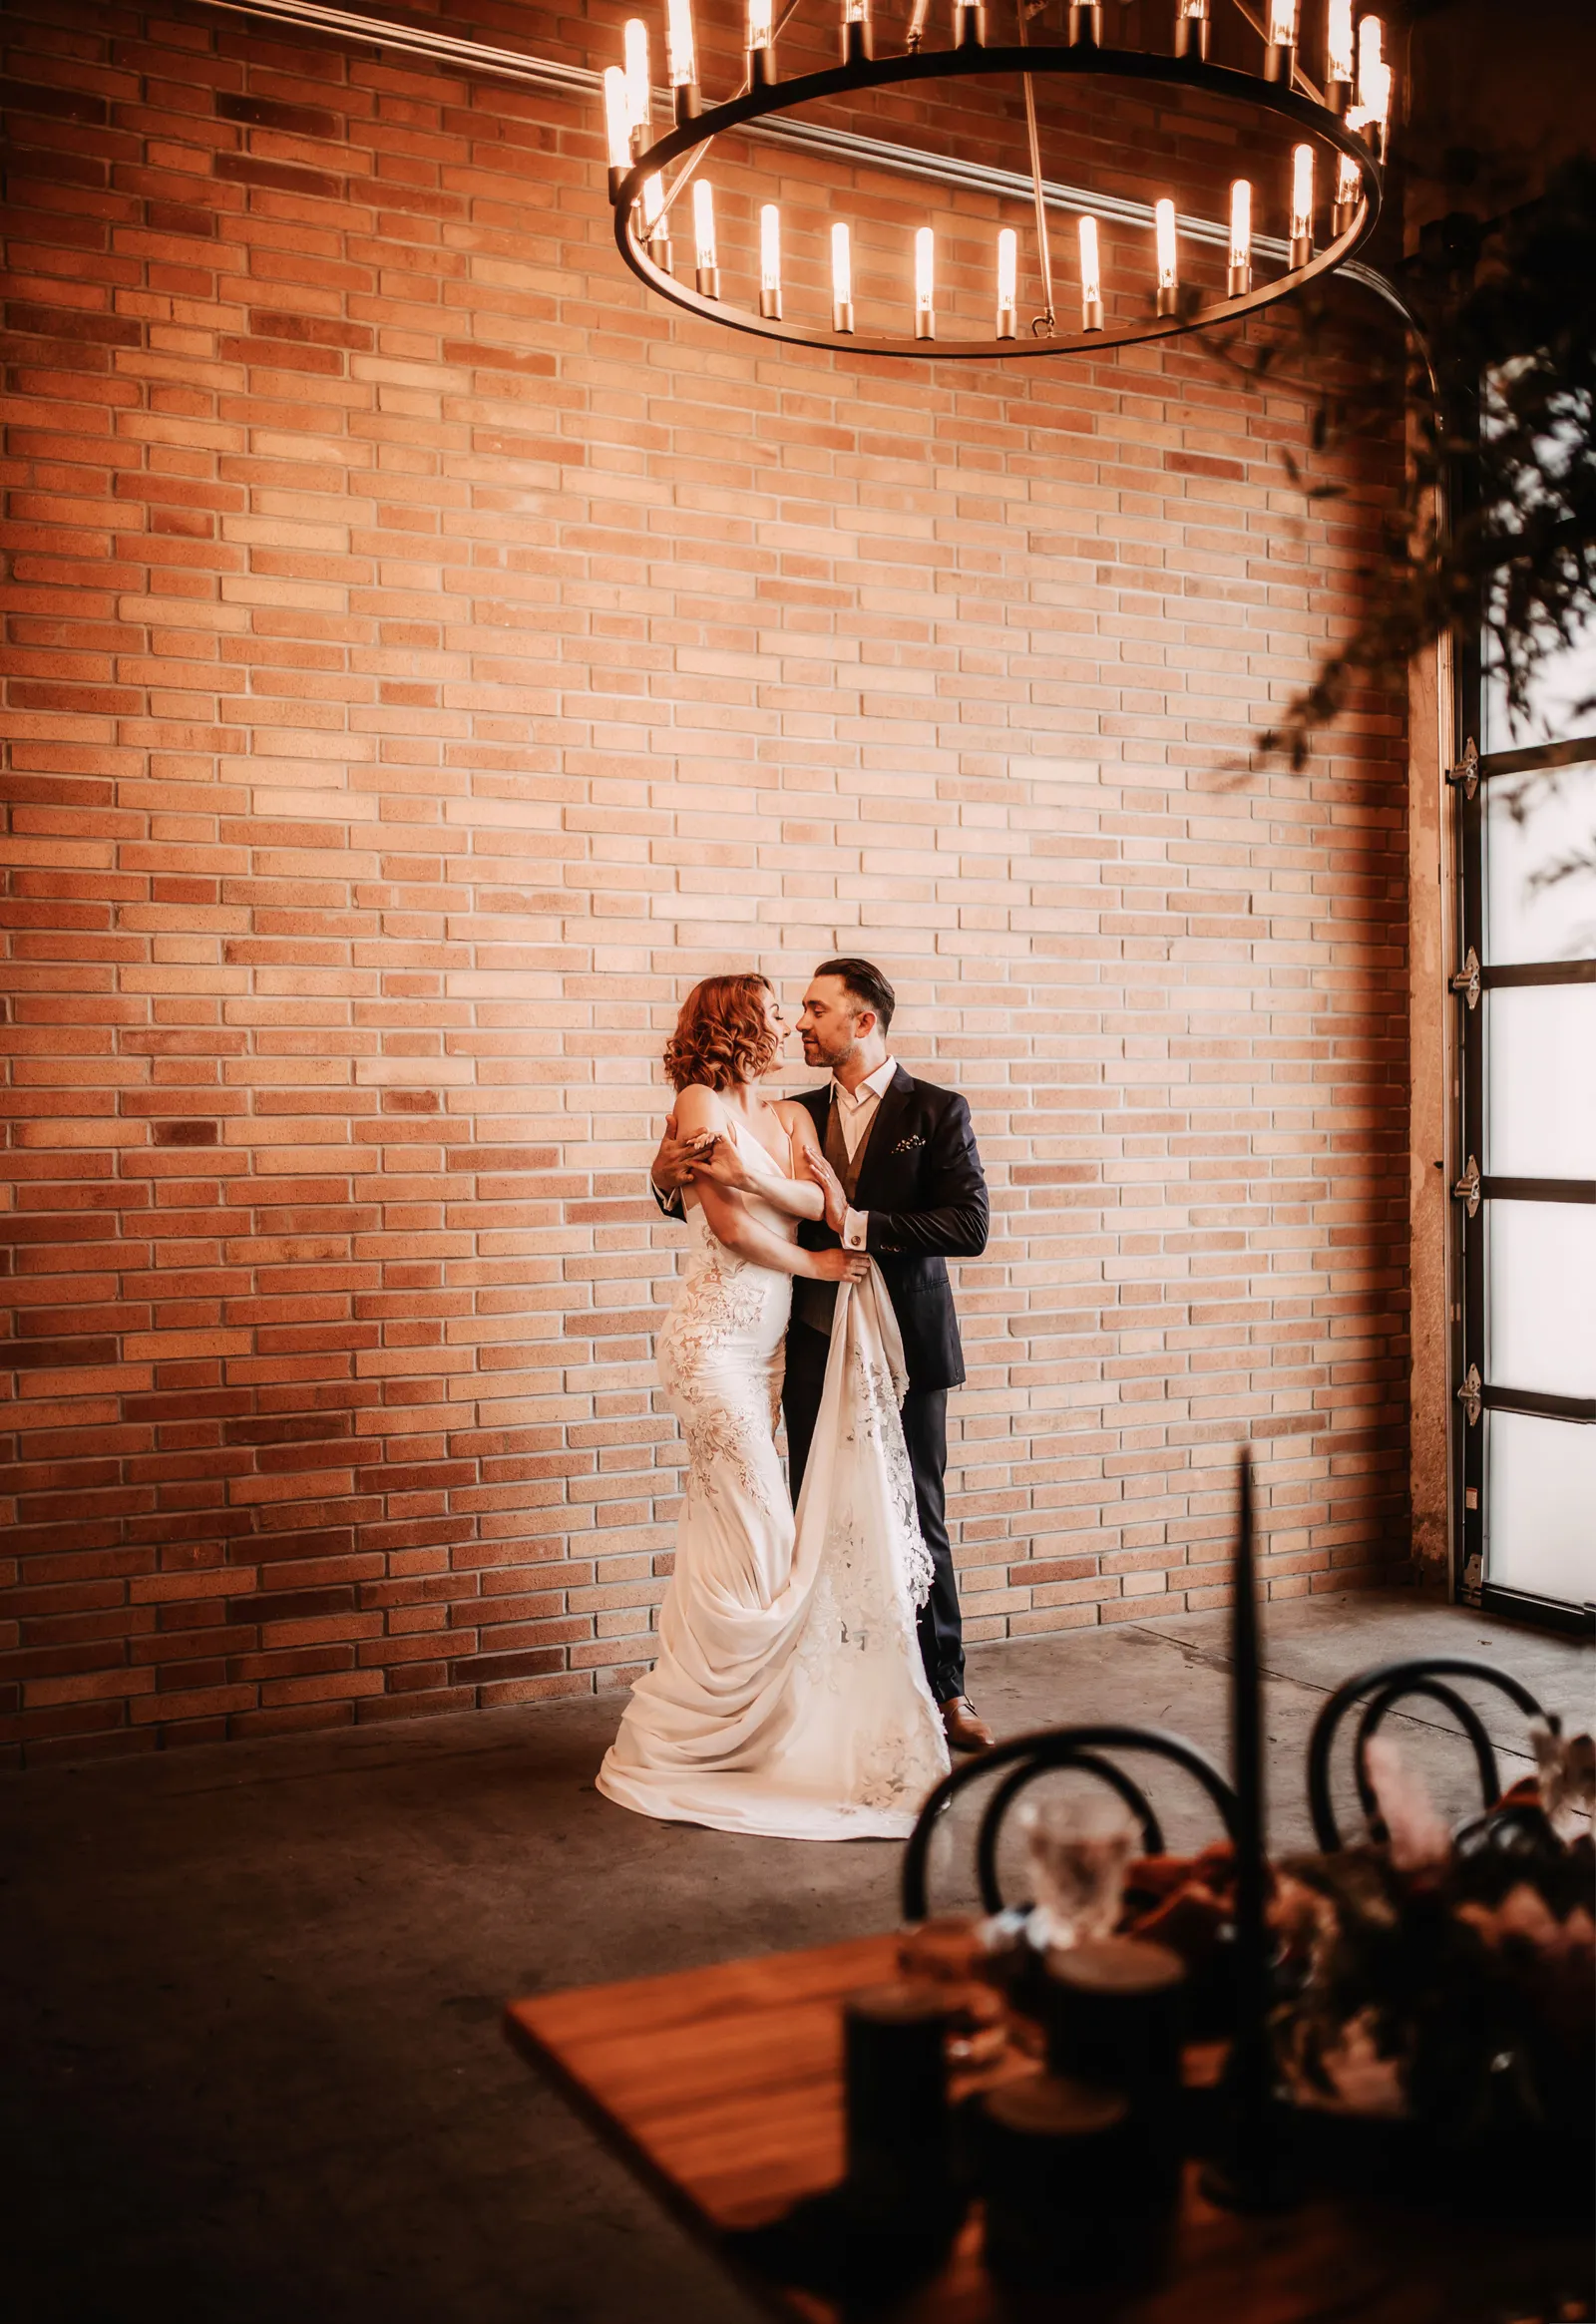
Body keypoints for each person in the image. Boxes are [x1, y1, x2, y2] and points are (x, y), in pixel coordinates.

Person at [597, 972, 951, 1839]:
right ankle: (720, 1723)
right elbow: (729, 1223)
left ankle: (760, 1713)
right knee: (766, 1530)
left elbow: (821, 1201)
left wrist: (784, 1194)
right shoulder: (698, 1102)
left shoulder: (797, 1116)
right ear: (737, 1024)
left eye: (809, 1009)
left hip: (772, 1353)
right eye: (776, 1010)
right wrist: (813, 1256)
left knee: (756, 1531)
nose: (793, 1021)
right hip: (714, 1344)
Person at [650, 959, 996, 1754]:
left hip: (906, 1341)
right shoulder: (789, 1109)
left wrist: (861, 1225)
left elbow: (968, 1226)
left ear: (863, 1022)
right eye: (795, 1009)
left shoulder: (936, 1110)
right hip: (805, 1338)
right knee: (815, 1511)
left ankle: (946, 1688)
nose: (800, 1023)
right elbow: (707, 1193)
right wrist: (666, 1178)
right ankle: (841, 1676)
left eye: (816, 1009)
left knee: (917, 1512)